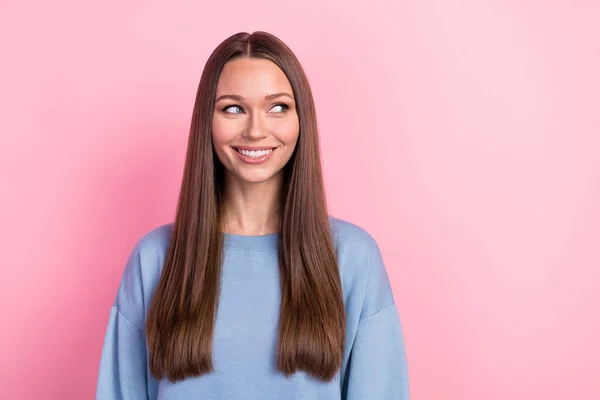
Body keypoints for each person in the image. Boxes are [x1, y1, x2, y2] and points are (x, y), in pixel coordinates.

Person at [96, 31, 410, 399]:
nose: (256, 130)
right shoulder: (155, 259)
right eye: (233, 108)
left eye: (277, 107)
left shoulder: (353, 258)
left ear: (300, 119)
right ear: (207, 122)